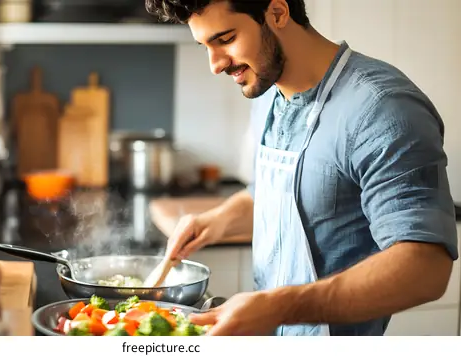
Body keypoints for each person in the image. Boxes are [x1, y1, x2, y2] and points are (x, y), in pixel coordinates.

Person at [145, 0, 459, 336]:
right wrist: (217, 221)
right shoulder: (266, 89)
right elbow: (288, 190)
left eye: (225, 39)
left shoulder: (383, 108)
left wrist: (280, 307)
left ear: (278, 13)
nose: (215, 64)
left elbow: (426, 267)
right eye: (204, 45)